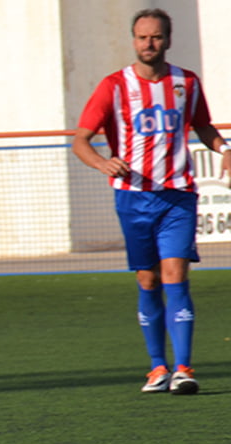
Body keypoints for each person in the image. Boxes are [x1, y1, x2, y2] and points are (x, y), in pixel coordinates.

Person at [72, 8, 231, 395]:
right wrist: (102, 162)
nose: (149, 44)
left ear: (168, 40)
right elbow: (80, 139)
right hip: (133, 198)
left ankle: (183, 368)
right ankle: (157, 368)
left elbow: (202, 125)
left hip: (178, 195)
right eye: (142, 37)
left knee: (175, 273)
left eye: (156, 37)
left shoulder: (186, 83)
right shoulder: (113, 86)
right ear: (133, 40)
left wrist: (224, 147)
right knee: (148, 279)